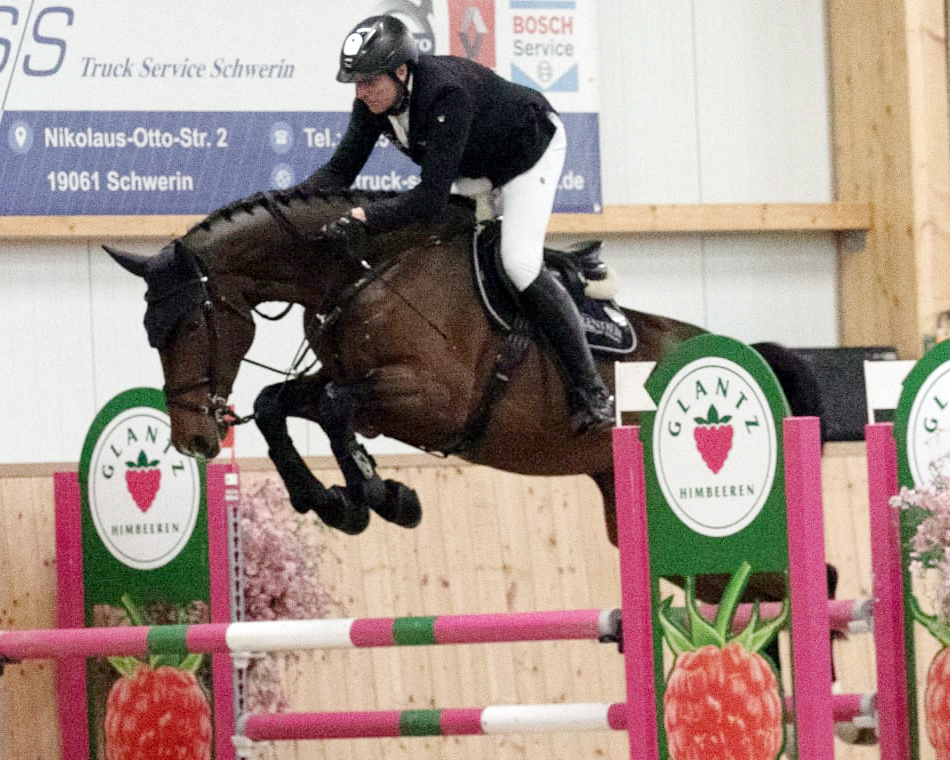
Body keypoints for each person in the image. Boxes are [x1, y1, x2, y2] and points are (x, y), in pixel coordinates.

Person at [301, 14, 613, 433]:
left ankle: (590, 390)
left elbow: (429, 199)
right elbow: (340, 172)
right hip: (473, 168)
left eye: (370, 82)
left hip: (526, 154)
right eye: (356, 84)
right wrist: (288, 207)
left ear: (401, 71)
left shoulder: (445, 93)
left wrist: (364, 216)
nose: (362, 93)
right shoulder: (374, 102)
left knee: (518, 262)